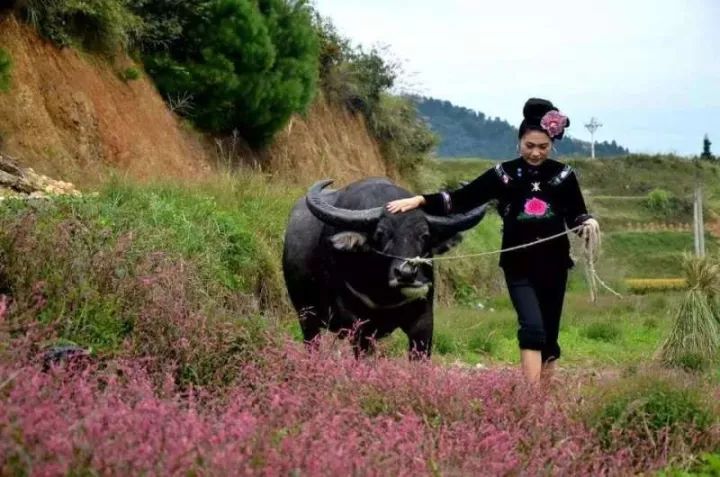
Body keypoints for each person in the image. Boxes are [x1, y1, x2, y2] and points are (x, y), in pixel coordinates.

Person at [386, 98, 599, 384]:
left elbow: (575, 216)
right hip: (518, 266)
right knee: (532, 328)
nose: (536, 153)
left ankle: (544, 400)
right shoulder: (503, 175)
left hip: (555, 266)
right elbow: (461, 199)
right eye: (529, 146)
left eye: (543, 147)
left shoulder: (564, 175)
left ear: (552, 145)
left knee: (549, 335)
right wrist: (421, 199)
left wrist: (587, 224)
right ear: (519, 142)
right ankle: (531, 399)